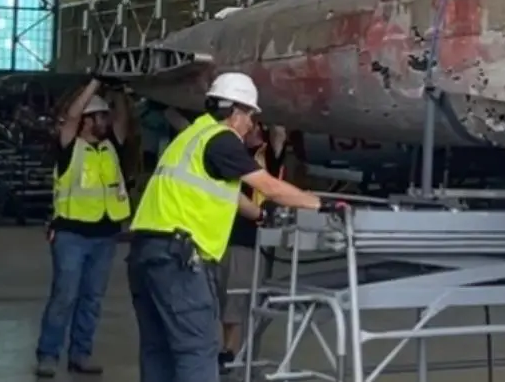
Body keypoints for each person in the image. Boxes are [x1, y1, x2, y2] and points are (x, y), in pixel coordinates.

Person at [126, 72, 326, 382]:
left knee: (159, 348)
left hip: (146, 252)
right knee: (199, 347)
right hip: (178, 258)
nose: (251, 124)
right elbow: (269, 186)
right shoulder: (222, 140)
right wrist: (319, 204)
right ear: (234, 113)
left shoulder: (192, 137)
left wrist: (259, 215)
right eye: (249, 115)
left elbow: (228, 195)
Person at [34, 80, 130, 378]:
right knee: (64, 296)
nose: (107, 121)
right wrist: (96, 83)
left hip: (105, 236)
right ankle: (48, 354)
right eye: (101, 116)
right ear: (87, 121)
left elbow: (124, 119)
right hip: (71, 236)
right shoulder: (68, 147)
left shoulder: (111, 147)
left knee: (92, 299)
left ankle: (80, 354)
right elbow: (71, 116)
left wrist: (121, 91)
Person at [217, 123, 289, 370]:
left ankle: (237, 355)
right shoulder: (233, 153)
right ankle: (232, 354)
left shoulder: (266, 155)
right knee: (232, 298)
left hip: (253, 239)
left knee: (244, 299)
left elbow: (279, 133)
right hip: (233, 237)